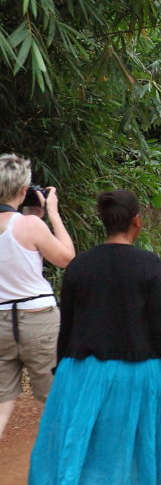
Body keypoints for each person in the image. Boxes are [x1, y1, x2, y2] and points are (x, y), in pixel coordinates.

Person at [30, 190, 161, 484]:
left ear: (104, 222)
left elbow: (66, 328)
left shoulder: (78, 266)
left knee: (87, 455)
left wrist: (64, 378)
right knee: (140, 454)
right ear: (137, 221)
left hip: (82, 373)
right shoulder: (149, 265)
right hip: (139, 377)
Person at [0, 154, 74, 441]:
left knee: (2, 401)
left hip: (1, 321)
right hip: (38, 319)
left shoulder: (29, 223)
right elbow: (66, 258)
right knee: (53, 399)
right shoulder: (30, 225)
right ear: (23, 191)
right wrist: (52, 213)